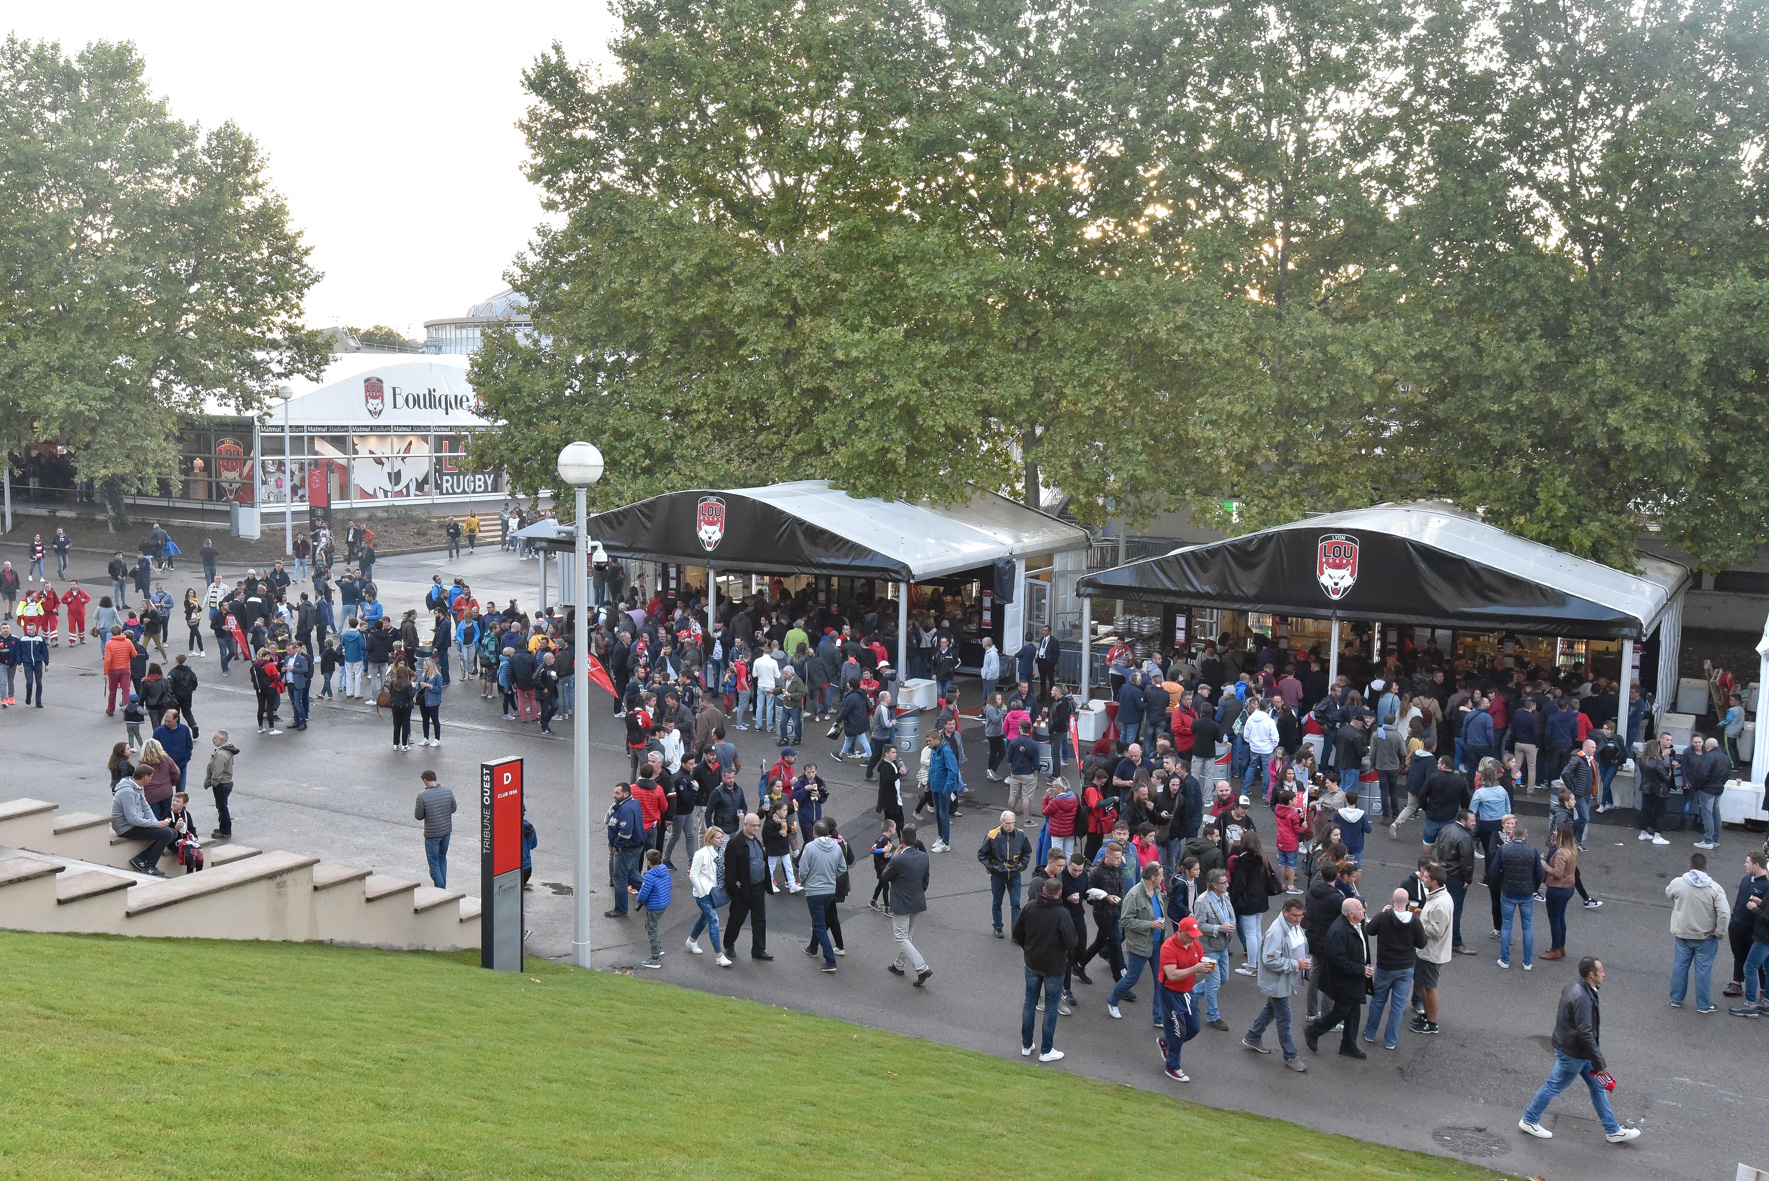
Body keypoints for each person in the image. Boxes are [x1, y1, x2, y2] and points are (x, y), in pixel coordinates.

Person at [1518, 957, 1641, 1143]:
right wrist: (1600, 1063)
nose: (1604, 974)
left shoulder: (1575, 987)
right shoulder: (1583, 998)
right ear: (1591, 975)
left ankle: (1613, 1130)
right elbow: (1586, 1033)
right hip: (1574, 1053)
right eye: (1601, 971)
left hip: (1575, 1050)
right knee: (1554, 1085)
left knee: (1597, 1087)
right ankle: (1529, 1119)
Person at [1242, 896, 1310, 1071]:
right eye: (1294, 915)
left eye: (1300, 915)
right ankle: (1290, 1055)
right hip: (1278, 982)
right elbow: (1270, 960)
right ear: (1284, 912)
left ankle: (1253, 1036)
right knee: (1284, 1019)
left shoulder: (1293, 926)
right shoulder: (1276, 932)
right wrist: (1296, 964)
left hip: (1285, 979)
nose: (1298, 919)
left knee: (1270, 1010)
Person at [1015, 875, 1078, 1063]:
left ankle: (1027, 1045)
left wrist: (1028, 947)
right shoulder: (1061, 913)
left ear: (1043, 890)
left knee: (1030, 1001)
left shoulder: (1030, 907)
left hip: (1032, 962)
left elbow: (1017, 931)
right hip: (1054, 967)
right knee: (1051, 1006)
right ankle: (1046, 1050)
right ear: (1059, 893)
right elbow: (1072, 941)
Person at [1305, 897, 1372, 1060]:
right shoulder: (1339, 931)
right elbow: (1338, 961)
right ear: (1350, 914)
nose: (1364, 911)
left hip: (1355, 976)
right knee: (1342, 1010)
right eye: (1360, 909)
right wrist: (1361, 969)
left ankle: (1348, 1044)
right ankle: (1314, 1031)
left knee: (1354, 1009)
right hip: (1343, 980)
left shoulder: (1357, 924)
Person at [1362, 887, 1426, 1050]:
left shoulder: (1384, 917)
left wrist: (1382, 912)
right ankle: (1391, 1041)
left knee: (1378, 1000)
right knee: (1398, 1004)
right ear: (1407, 903)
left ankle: (1370, 1033)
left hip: (1385, 966)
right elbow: (1421, 943)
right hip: (1405, 968)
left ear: (1392, 901)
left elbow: (1369, 930)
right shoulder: (1415, 921)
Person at [1666, 850, 1729, 1014]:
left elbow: (1668, 893)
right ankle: (1704, 1004)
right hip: (1706, 936)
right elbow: (1724, 913)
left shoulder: (1679, 882)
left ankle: (1676, 999)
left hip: (1682, 934)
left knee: (1680, 966)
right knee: (1703, 971)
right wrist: (1719, 932)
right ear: (1706, 868)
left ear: (1690, 866)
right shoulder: (1715, 888)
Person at [1156, 916, 1214, 1082]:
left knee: (1194, 1027)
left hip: (1187, 992)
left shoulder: (1195, 944)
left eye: (1195, 935)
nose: (1193, 939)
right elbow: (1172, 975)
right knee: (1177, 1031)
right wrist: (1195, 968)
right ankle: (1173, 1066)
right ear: (1180, 932)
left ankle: (1166, 1042)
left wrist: (1206, 967)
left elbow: (1200, 961)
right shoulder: (1168, 947)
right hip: (1170, 992)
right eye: (1189, 935)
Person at [1110, 861, 1167, 1024]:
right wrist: (1149, 924)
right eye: (1160, 876)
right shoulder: (1134, 895)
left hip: (1157, 943)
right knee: (1132, 978)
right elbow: (1126, 921)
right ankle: (1112, 1000)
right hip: (1140, 944)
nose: (1162, 879)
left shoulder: (1156, 890)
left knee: (1160, 980)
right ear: (1153, 877)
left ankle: (1158, 1017)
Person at [879, 823, 932, 985]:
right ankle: (899, 965)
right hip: (917, 901)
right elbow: (925, 882)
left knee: (901, 937)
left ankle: (922, 967)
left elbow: (885, 877)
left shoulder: (899, 859)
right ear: (915, 840)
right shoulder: (924, 857)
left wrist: (893, 859)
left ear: (901, 840)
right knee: (907, 935)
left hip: (902, 904)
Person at [721, 812, 773, 961]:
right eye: (753, 826)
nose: (756, 828)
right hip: (743, 889)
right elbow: (730, 871)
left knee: (760, 919)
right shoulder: (735, 843)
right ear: (745, 825)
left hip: (758, 887)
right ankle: (729, 944)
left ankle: (759, 949)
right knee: (737, 918)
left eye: (758, 825)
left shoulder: (756, 841)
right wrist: (735, 891)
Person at [797, 818, 846, 973]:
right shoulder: (836, 847)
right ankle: (812, 948)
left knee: (819, 926)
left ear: (814, 833)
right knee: (821, 923)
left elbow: (803, 870)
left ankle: (830, 961)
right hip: (830, 891)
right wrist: (831, 876)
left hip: (814, 891)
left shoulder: (810, 847)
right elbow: (842, 868)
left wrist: (804, 882)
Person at [110, 764, 175, 875]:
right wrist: (155, 824)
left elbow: (146, 807)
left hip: (134, 824)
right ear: (145, 777)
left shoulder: (137, 787)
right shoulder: (127, 791)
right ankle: (149, 866)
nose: (151, 779)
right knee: (167, 834)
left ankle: (141, 859)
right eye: (151, 777)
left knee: (173, 832)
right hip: (125, 828)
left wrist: (156, 823)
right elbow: (132, 819)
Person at [1495, 824, 1543, 970]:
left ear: (1512, 835)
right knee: (1527, 927)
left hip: (1508, 891)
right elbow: (1540, 874)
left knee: (1506, 925)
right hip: (1526, 893)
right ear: (1525, 836)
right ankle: (1527, 962)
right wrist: (1534, 887)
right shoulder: (1532, 851)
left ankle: (1505, 960)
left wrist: (1503, 879)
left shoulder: (1503, 850)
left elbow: (1493, 870)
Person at [1412, 864, 1453, 1035]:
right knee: (1422, 984)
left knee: (1429, 986)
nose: (1422, 879)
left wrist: (1418, 923)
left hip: (1432, 952)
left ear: (1434, 882)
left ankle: (1432, 1022)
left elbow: (1437, 930)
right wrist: (1421, 913)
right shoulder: (1436, 895)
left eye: (1426, 877)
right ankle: (1427, 1016)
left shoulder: (1441, 903)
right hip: (1426, 950)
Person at [977, 810, 1032, 937]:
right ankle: (997, 927)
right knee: (997, 902)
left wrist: (1021, 866)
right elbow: (981, 854)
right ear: (1001, 823)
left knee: (1016, 904)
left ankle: (1016, 931)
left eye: (1012, 823)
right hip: (998, 875)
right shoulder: (992, 835)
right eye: (1007, 823)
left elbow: (1027, 852)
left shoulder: (1021, 835)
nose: (1010, 826)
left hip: (1015, 874)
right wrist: (992, 867)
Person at [1194, 867, 1236, 1031]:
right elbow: (1198, 926)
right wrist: (1219, 928)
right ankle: (1213, 1017)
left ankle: (1191, 994)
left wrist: (1230, 925)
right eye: (1223, 882)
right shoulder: (1203, 902)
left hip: (1223, 946)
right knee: (1213, 983)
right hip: (1209, 948)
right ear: (1214, 885)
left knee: (1223, 979)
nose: (1227, 884)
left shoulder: (1224, 896)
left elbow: (1231, 915)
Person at [1725, 850, 1769, 1000]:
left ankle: (1763, 990)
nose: (1745, 864)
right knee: (1739, 954)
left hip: (1754, 929)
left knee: (1759, 961)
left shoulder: (1766, 884)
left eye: (1748, 862)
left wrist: (1756, 907)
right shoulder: (1746, 879)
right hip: (1737, 924)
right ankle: (1736, 982)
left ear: (1757, 865)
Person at [686, 826, 732, 966]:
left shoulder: (722, 852)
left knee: (705, 918)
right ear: (710, 839)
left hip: (715, 892)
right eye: (718, 838)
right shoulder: (701, 854)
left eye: (722, 837)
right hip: (704, 893)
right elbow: (693, 875)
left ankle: (692, 940)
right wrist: (701, 891)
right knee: (713, 920)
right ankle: (719, 955)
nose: (721, 840)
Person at [604, 782, 648, 917]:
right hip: (634, 845)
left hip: (626, 848)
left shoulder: (626, 809)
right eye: (614, 792)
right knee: (630, 872)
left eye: (617, 793)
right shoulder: (632, 803)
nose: (614, 795)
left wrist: (617, 845)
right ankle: (651, 893)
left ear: (626, 794)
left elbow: (625, 833)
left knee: (620, 878)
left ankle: (620, 909)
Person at [413, 771, 456, 889]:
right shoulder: (448, 791)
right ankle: (442, 886)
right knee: (442, 858)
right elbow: (453, 808)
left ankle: (441, 889)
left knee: (433, 864)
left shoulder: (422, 796)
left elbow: (418, 816)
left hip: (432, 835)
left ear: (425, 780)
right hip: (446, 832)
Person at [633, 848, 673, 969]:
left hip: (654, 906)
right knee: (653, 926)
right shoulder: (664, 870)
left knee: (651, 929)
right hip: (664, 904)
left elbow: (643, 895)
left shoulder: (649, 876)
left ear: (648, 862)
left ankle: (655, 957)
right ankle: (658, 948)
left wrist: (639, 900)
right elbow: (670, 885)